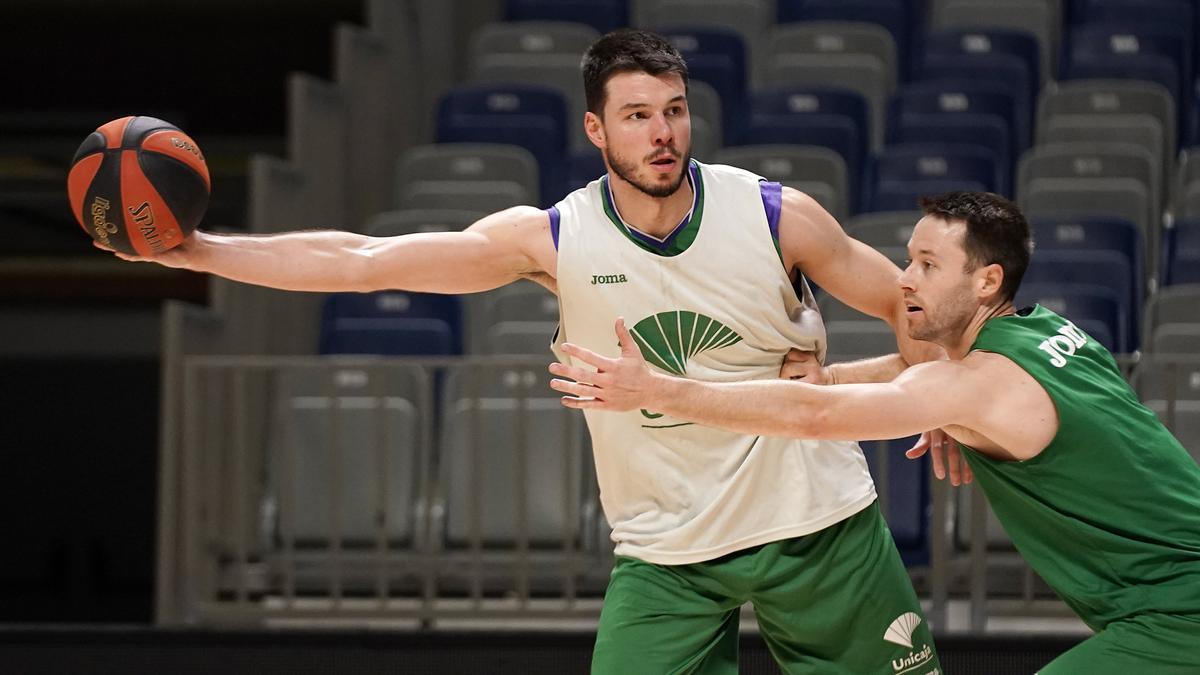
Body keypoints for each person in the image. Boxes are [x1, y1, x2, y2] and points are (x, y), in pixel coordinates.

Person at [106, 29, 944, 674]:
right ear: (595, 128)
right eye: (638, 115)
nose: (663, 133)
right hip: (668, 550)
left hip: (817, 524)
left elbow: (916, 306)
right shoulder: (552, 237)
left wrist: (929, 392)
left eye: (675, 110)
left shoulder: (774, 215)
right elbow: (362, 263)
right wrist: (202, 251)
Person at [550, 191, 1200, 673]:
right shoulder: (1049, 332)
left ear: (987, 280)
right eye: (907, 260)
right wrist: (833, 377)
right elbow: (920, 379)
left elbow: (818, 420)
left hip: (1181, 614)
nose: (905, 280)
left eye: (926, 265)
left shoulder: (973, 383)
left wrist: (659, 390)